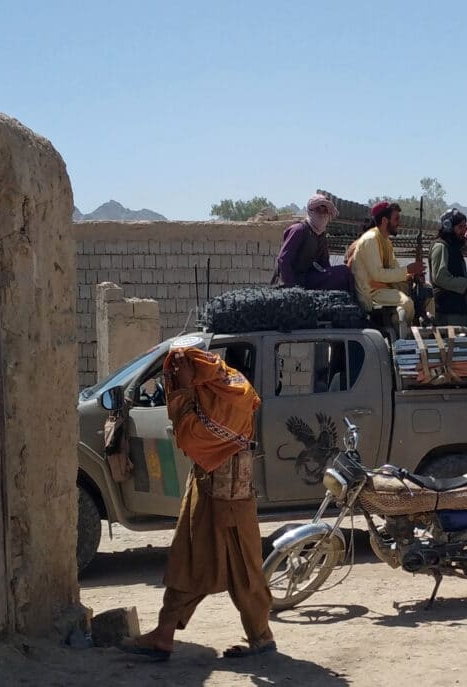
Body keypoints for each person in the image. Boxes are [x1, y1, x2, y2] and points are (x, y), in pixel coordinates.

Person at [119, 346, 274, 660]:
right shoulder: (221, 387)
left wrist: (186, 389)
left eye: (177, 374)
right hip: (206, 491)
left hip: (230, 500)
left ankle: (261, 636)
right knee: (188, 560)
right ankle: (164, 634)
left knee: (243, 571)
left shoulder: (227, 396)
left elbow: (192, 435)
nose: (173, 382)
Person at [347, 201, 425, 322]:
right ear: (384, 220)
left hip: (384, 288)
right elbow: (377, 274)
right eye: (396, 219)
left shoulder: (386, 242)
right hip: (371, 293)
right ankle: (404, 336)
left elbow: (394, 269)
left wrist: (412, 275)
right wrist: (408, 269)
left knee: (426, 290)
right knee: (407, 303)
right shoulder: (370, 240)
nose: (399, 223)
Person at [273, 193, 354, 292]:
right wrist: (292, 288)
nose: (322, 214)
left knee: (344, 272)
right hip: (293, 280)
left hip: (308, 278)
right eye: (318, 210)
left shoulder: (321, 236)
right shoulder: (299, 230)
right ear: (310, 211)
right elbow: (283, 260)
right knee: (343, 272)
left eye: (325, 211)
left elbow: (324, 264)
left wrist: (330, 279)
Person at [429, 209, 467, 328]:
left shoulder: (454, 248)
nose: (463, 231)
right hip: (448, 311)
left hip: (459, 308)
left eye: (464, 227)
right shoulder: (440, 246)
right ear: (449, 227)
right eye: (460, 227)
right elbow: (440, 278)